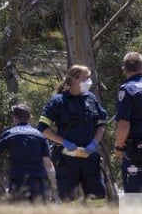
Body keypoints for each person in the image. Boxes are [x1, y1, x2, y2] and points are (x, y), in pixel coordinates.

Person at [38, 65, 109, 201]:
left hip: (89, 158)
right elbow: (43, 127)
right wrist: (63, 142)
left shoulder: (91, 98)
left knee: (98, 197)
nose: (88, 81)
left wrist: (94, 142)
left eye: (89, 78)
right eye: (85, 78)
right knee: (68, 199)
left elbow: (101, 124)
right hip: (67, 160)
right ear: (73, 80)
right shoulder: (58, 101)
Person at [0, 104, 53, 203]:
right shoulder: (40, 136)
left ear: (14, 118)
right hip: (38, 182)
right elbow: (48, 165)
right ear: (30, 119)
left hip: (17, 181)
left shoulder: (9, 134)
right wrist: (54, 188)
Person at [112, 52, 142, 194]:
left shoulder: (127, 90)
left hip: (135, 150)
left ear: (124, 69)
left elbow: (123, 124)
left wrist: (119, 147)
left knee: (134, 193)